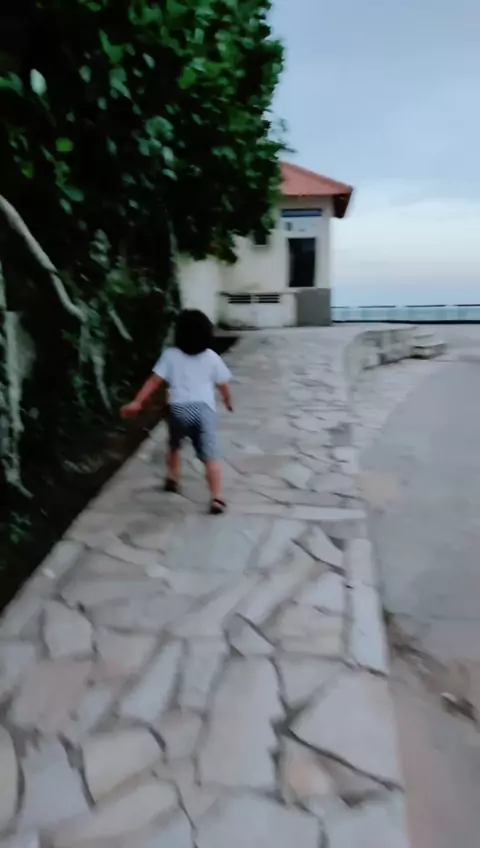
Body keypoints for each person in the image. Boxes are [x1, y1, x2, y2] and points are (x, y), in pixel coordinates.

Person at [121, 309, 233, 515]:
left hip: (178, 409)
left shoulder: (171, 355)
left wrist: (137, 402)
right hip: (204, 411)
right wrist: (228, 401)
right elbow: (223, 384)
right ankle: (217, 496)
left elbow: (154, 380)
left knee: (174, 445)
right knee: (210, 456)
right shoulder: (212, 357)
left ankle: (173, 477)